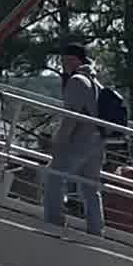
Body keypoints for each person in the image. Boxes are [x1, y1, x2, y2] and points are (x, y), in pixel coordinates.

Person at [43, 39, 107, 238]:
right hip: (97, 144)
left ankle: (54, 225)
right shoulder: (96, 82)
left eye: (64, 61)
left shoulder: (77, 81)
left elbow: (71, 118)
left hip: (79, 142)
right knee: (90, 189)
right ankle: (96, 232)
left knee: (53, 179)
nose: (63, 65)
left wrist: (58, 142)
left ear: (72, 59)